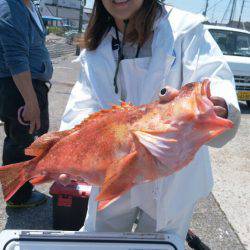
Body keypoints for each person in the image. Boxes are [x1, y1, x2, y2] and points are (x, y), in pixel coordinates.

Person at [59, 0, 240, 248]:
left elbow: (215, 77)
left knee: (161, 242)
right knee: (102, 240)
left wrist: (218, 104)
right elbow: (82, 107)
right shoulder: (97, 44)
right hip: (115, 169)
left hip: (173, 176)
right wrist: (69, 154)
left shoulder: (186, 29)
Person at [0, 0, 53, 207]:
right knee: (21, 141)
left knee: (29, 140)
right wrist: (31, 102)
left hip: (31, 85)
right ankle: (18, 197)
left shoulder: (30, 6)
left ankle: (21, 190)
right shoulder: (10, 8)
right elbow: (15, 58)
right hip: (20, 88)